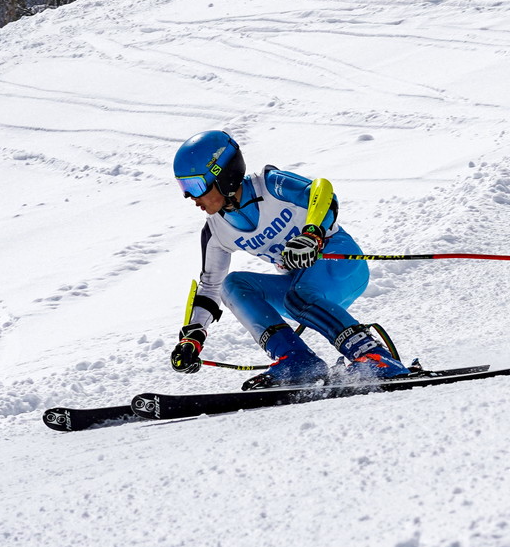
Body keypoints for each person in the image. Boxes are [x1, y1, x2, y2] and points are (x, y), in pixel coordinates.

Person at [169, 130, 408, 389]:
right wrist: (192, 336)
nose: (190, 197)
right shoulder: (216, 231)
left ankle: (375, 356)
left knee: (299, 294)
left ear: (223, 175)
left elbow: (323, 191)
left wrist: (312, 233)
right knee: (233, 286)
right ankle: (297, 362)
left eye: (195, 186)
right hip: (301, 291)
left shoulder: (270, 185)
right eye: (184, 188)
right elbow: (210, 288)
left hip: (341, 265)